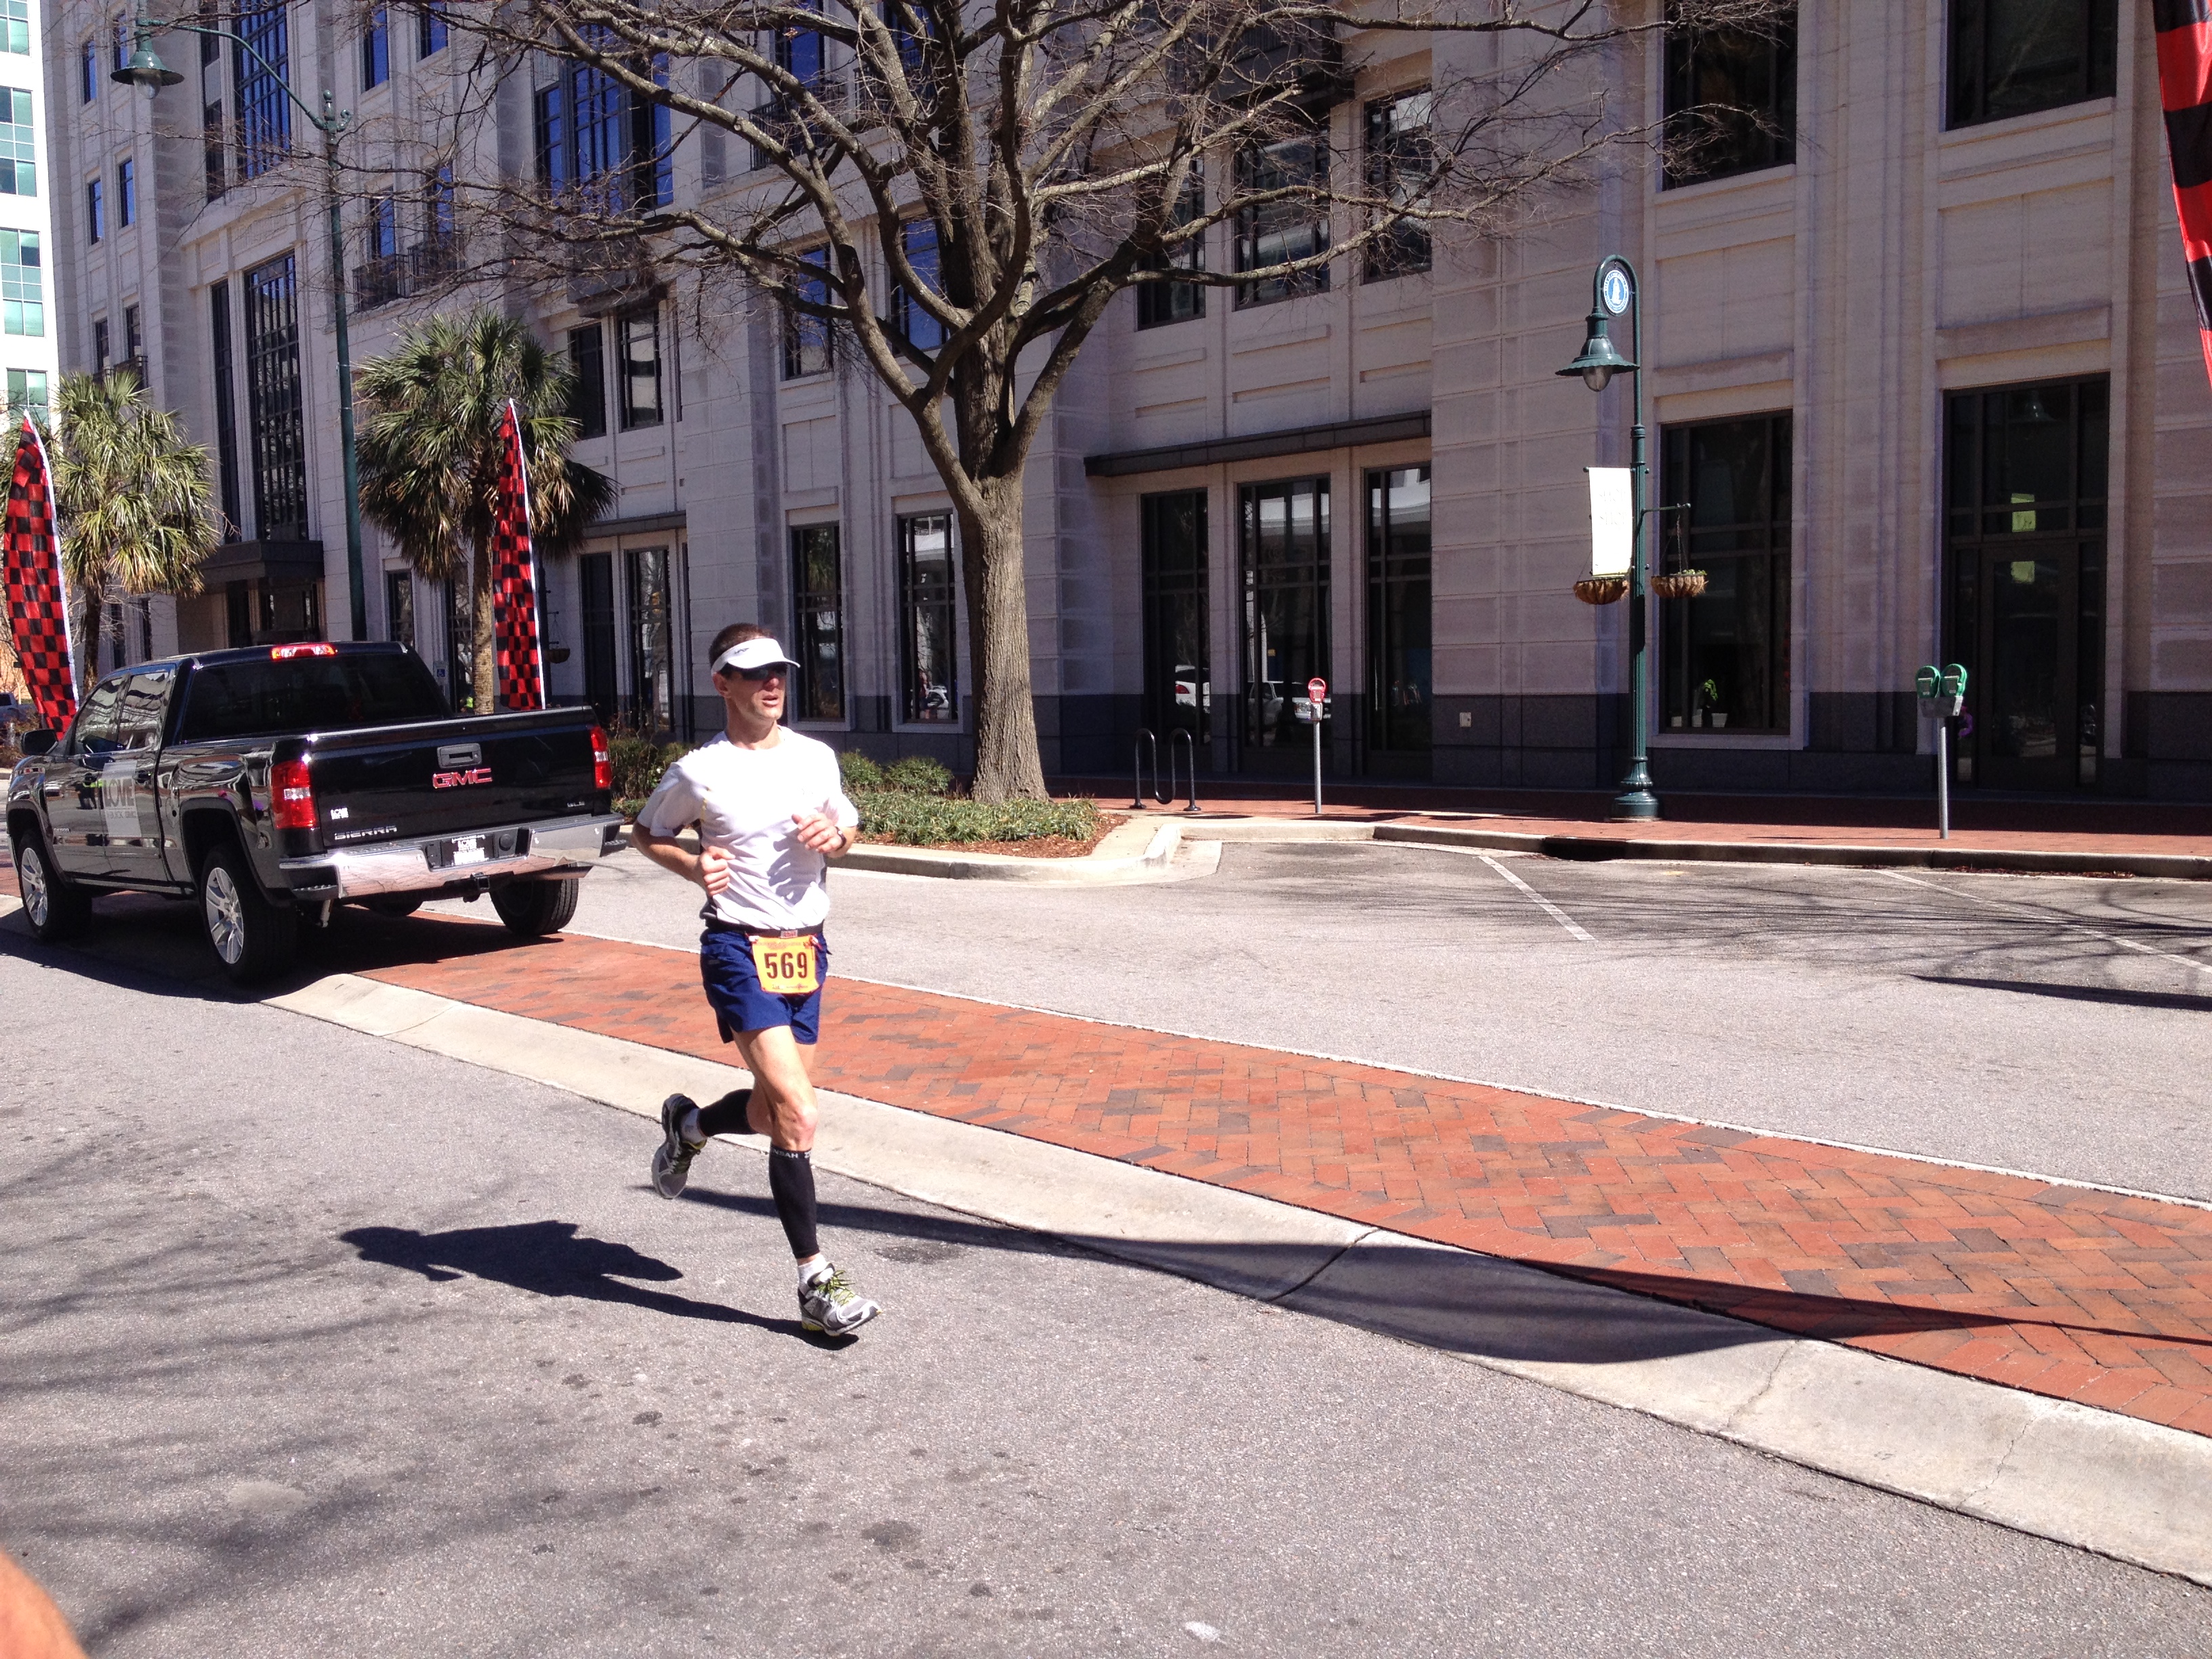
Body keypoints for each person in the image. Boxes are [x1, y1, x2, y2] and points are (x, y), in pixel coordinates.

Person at [631, 623, 880, 1337]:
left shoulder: (814, 758)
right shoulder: (700, 771)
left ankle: (690, 1126)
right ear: (723, 684)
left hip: (807, 948)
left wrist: (840, 838)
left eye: (780, 671)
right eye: (754, 673)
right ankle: (815, 1282)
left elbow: (847, 825)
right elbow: (645, 832)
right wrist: (690, 865)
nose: (773, 683)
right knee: (801, 1112)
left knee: (775, 1115)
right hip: (737, 946)